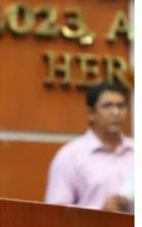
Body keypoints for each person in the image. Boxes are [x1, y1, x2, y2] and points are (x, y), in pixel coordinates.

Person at [44, 82, 134, 213]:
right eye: (107, 106)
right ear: (91, 113)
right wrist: (100, 211)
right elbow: (55, 211)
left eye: (121, 106)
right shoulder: (70, 156)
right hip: (93, 226)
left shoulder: (137, 151)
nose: (116, 112)